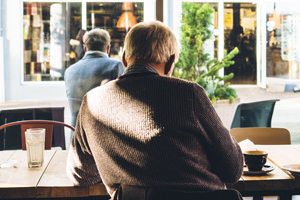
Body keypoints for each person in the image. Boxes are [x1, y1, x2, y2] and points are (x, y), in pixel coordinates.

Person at [66, 21, 243, 198]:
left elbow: (80, 175)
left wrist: (115, 164)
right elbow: (233, 169)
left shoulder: (92, 102)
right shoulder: (189, 95)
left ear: (125, 58)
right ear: (171, 61)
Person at [65, 28, 124, 126]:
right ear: (108, 48)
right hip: (103, 135)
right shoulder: (115, 66)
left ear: (85, 49)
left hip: (75, 134)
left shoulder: (69, 71)